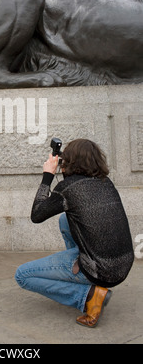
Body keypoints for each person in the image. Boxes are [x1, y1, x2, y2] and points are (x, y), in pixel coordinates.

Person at [15, 139, 134, 328]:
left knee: (22, 275)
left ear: (69, 161)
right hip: (122, 265)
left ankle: (87, 295)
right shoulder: (105, 182)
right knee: (65, 219)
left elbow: (37, 215)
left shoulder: (68, 188)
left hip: (101, 270)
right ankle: (82, 276)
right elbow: (75, 195)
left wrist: (48, 175)